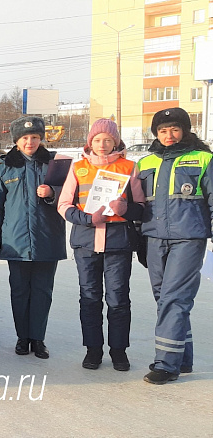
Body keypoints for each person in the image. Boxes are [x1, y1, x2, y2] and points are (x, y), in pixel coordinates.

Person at [133, 108, 213, 384]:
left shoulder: (203, 159)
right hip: (154, 238)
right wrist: (138, 239)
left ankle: (167, 365)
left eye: (174, 129)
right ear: (155, 133)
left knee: (174, 299)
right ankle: (183, 357)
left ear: (186, 130)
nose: (169, 135)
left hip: (188, 238)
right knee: (164, 299)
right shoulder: (145, 163)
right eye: (163, 130)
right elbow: (139, 204)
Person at [57, 119, 144, 372]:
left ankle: (119, 351)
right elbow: (63, 205)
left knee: (118, 299)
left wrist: (126, 209)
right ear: (90, 142)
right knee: (90, 297)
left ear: (116, 141)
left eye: (108, 139)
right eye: (97, 140)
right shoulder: (78, 168)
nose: (102, 145)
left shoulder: (129, 167)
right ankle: (93, 350)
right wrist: (88, 218)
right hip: (85, 242)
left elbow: (142, 207)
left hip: (118, 243)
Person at [0, 116, 66, 359]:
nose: (30, 142)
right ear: (16, 141)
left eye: (35, 137)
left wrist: (53, 193)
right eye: (25, 138)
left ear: (41, 139)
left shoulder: (55, 164)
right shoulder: (4, 168)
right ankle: (22, 337)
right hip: (16, 241)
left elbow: (71, 196)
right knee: (19, 291)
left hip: (47, 238)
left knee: (42, 291)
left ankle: (38, 338)